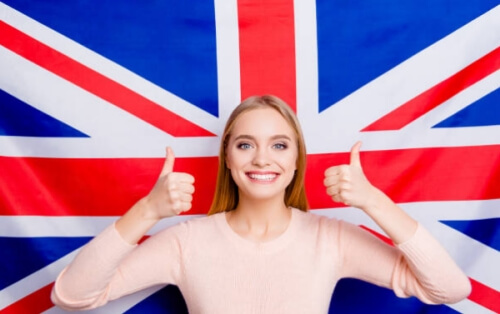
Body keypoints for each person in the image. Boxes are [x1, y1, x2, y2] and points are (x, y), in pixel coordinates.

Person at [51, 95, 471, 313]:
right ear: (228, 159)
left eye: (279, 145)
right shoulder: (186, 243)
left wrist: (374, 202)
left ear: (294, 162)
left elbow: (450, 288)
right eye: (246, 144)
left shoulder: (331, 239)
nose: (262, 159)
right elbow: (72, 295)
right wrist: (146, 211)